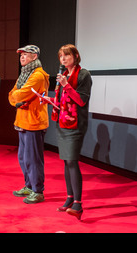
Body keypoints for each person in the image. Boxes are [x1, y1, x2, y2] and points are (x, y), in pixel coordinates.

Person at [42, 44, 92, 220]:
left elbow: (81, 101)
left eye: (67, 55)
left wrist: (67, 85)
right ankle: (70, 198)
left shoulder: (84, 74)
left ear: (76, 56)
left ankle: (78, 203)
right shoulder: (63, 75)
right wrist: (49, 100)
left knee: (72, 160)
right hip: (63, 122)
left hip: (76, 123)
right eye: (61, 56)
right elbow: (61, 99)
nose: (63, 59)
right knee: (65, 161)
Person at [8, 45, 49, 204]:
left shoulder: (38, 75)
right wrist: (15, 100)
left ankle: (38, 191)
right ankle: (29, 186)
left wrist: (15, 97)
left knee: (33, 159)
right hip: (22, 121)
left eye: (26, 54)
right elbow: (12, 95)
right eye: (21, 55)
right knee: (23, 157)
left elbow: (21, 93)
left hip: (34, 122)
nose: (22, 57)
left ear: (34, 57)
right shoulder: (24, 74)